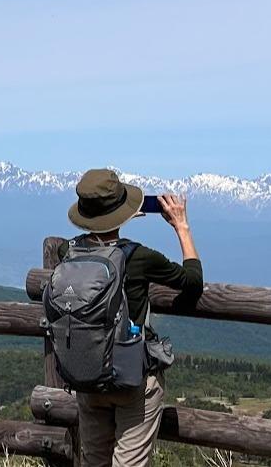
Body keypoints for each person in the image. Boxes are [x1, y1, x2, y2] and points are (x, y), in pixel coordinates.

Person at [58, 168, 203, 467]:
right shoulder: (139, 257)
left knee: (94, 461)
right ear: (122, 214)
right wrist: (182, 227)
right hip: (131, 378)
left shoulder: (67, 253)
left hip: (87, 375)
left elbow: (92, 244)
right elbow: (193, 281)